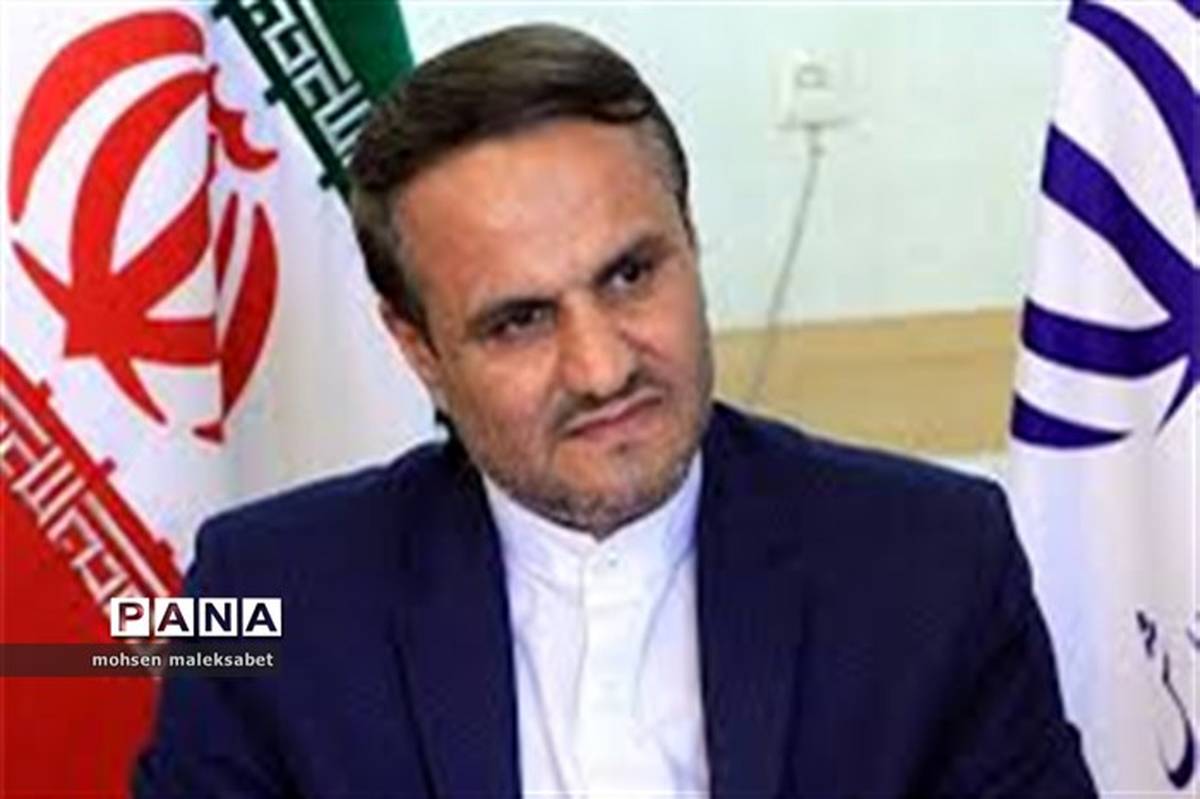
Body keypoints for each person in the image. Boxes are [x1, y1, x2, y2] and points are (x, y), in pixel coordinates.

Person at [134, 23, 1097, 798]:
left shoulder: (933, 562)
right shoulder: (262, 590)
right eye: (519, 321)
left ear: (692, 240)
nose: (601, 370)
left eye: (631, 274)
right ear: (418, 346)